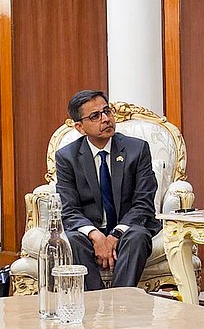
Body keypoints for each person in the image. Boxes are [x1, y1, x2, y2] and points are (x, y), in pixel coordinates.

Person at [54, 90, 160, 291]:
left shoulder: (137, 149)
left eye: (107, 111)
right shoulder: (67, 157)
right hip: (89, 231)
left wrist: (114, 236)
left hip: (127, 228)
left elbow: (143, 204)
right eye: (95, 116)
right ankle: (95, 300)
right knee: (73, 240)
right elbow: (69, 210)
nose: (105, 119)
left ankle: (120, 300)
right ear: (80, 127)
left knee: (138, 236)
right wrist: (96, 236)